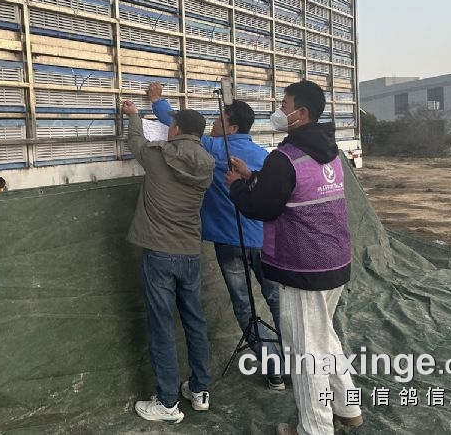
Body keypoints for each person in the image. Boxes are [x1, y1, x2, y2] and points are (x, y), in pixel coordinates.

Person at [225, 80, 363, 435]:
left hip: (303, 266)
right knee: (322, 334)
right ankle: (348, 407)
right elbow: (291, 187)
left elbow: (262, 207)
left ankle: (314, 428)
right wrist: (253, 176)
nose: (279, 111)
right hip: (334, 260)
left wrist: (237, 187)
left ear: (300, 113)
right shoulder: (329, 151)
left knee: (305, 350)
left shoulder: (284, 157)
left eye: (284, 105)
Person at [147, 82, 286, 390]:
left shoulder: (214, 148)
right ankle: (297, 363)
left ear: (232, 127)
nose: (213, 123)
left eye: (220, 120)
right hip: (263, 240)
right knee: (276, 300)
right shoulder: (262, 155)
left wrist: (157, 101)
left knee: (244, 306)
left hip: (229, 242)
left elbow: (179, 125)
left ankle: (273, 369)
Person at [122, 99, 215, 424]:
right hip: (190, 252)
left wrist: (134, 115)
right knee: (195, 321)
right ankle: (200, 391)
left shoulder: (158, 155)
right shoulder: (208, 163)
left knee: (161, 325)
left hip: (159, 253)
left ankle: (167, 402)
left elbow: (135, 141)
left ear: (175, 129)